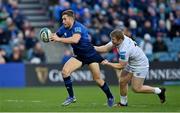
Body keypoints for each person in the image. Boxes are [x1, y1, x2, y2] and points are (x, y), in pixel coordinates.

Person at [49, 9, 114, 107]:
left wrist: (59, 39)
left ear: (71, 19)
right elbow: (55, 36)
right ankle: (71, 97)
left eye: (64, 19)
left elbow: (75, 40)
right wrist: (49, 36)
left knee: (97, 79)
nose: (63, 21)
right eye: (62, 19)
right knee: (65, 72)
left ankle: (110, 97)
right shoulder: (64, 28)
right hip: (79, 56)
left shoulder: (78, 27)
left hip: (90, 54)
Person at [94, 29, 166, 107]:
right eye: (112, 39)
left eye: (113, 40)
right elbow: (105, 48)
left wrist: (107, 63)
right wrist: (91, 47)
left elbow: (121, 66)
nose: (112, 41)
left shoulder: (124, 49)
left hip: (140, 64)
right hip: (130, 62)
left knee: (136, 89)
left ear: (120, 39)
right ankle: (123, 103)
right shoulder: (120, 38)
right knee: (122, 81)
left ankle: (159, 91)